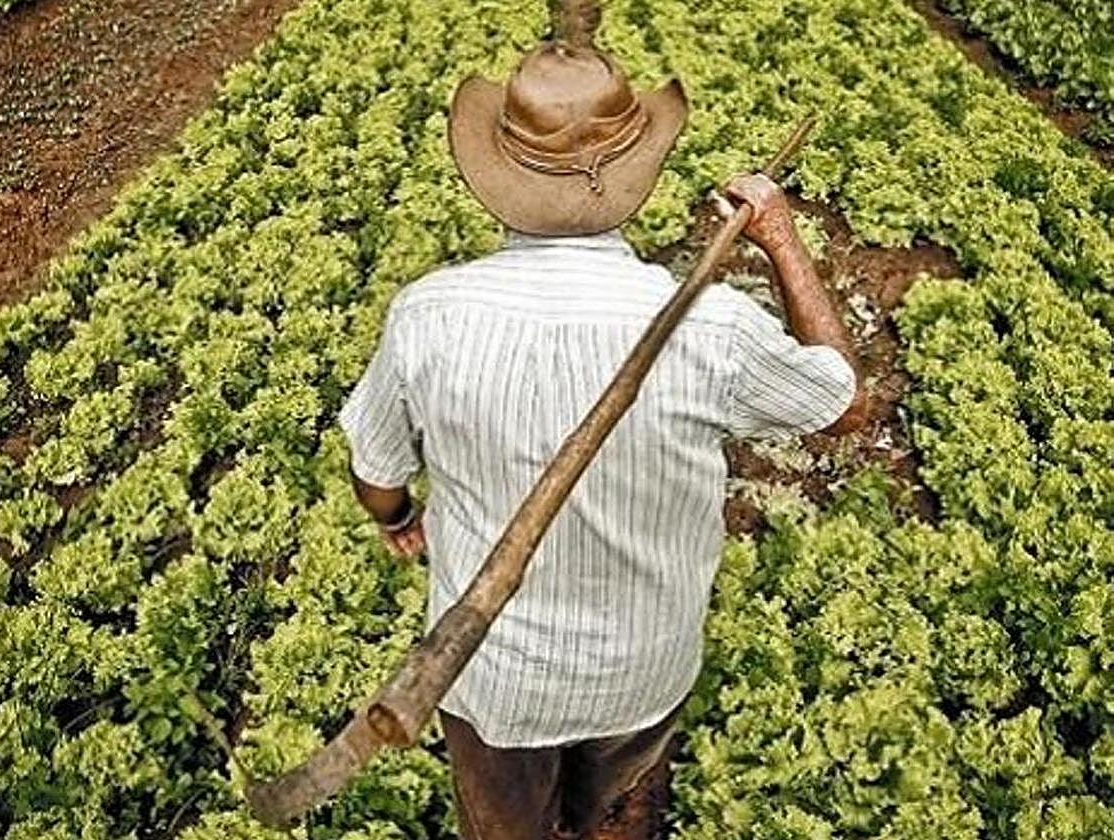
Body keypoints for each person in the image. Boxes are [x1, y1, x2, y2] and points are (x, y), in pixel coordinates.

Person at [336, 2, 868, 837]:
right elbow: (837, 397)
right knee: (617, 807)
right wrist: (781, 239)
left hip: (491, 682)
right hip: (641, 672)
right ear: (638, 172)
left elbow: (376, 474)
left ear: (496, 172)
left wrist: (399, 516)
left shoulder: (426, 316)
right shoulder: (712, 327)